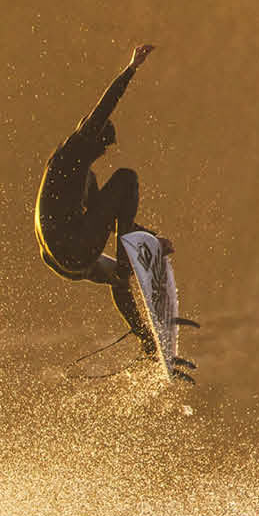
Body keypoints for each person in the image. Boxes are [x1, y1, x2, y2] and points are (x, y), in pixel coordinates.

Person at [35, 43, 177, 355]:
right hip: (71, 246)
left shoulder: (84, 178)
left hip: (64, 260)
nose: (103, 153)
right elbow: (105, 107)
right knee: (127, 178)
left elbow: (112, 221)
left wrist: (150, 238)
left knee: (118, 279)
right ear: (95, 136)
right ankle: (131, 255)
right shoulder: (75, 149)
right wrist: (131, 69)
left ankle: (145, 339)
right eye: (104, 146)